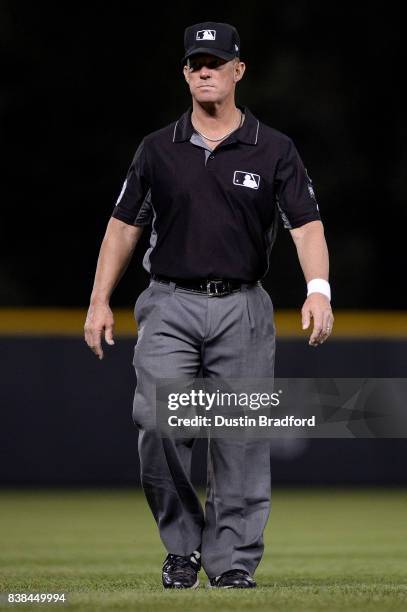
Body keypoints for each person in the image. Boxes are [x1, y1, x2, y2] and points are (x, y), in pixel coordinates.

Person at [84, 21, 334, 590]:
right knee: (158, 421)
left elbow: (307, 225)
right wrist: (99, 301)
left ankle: (232, 564)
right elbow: (122, 227)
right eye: (195, 62)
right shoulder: (157, 149)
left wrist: (318, 288)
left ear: (237, 71)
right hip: (169, 304)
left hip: (242, 307)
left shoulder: (273, 148)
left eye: (215, 62)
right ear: (185, 73)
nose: (204, 70)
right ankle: (181, 546)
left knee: (240, 439)